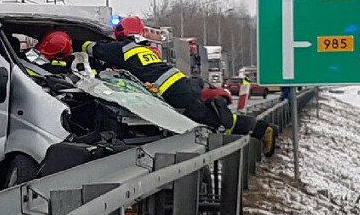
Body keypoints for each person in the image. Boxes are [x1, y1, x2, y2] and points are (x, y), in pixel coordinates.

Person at [70, 16, 276, 145]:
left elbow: (91, 48)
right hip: (180, 84)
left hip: (173, 90)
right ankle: (245, 123)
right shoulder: (144, 49)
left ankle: (261, 129)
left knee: (212, 120)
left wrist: (72, 40)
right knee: (205, 118)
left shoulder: (121, 49)